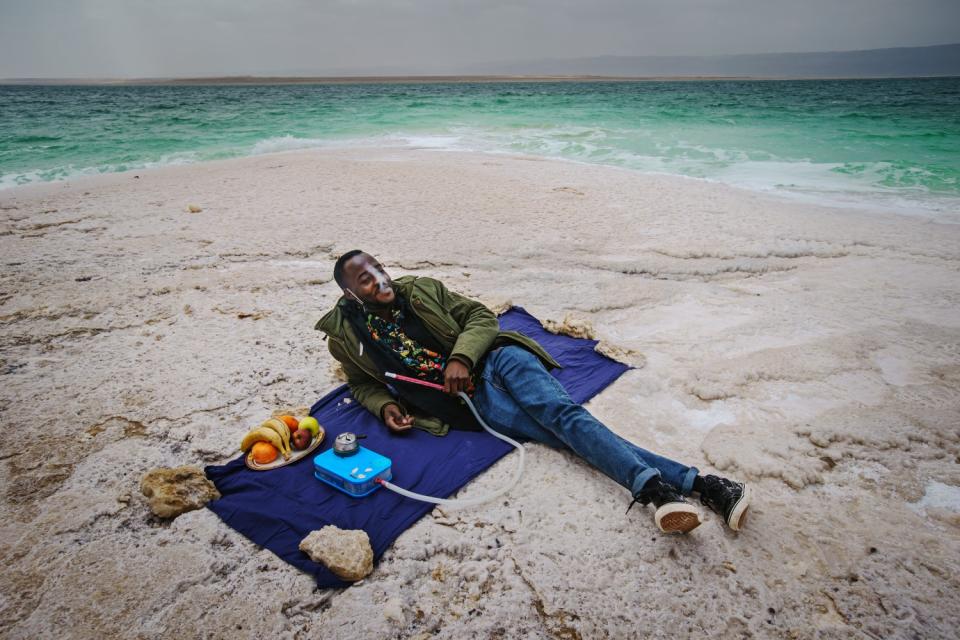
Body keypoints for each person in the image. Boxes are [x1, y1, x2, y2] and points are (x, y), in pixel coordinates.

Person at [315, 250, 751, 534]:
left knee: (563, 415)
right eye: (366, 280)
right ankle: (705, 485)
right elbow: (360, 382)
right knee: (562, 435)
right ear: (351, 294)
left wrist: (462, 358)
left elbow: (482, 318)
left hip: (497, 360)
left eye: (378, 268)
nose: (380, 279)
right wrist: (385, 403)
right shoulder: (346, 337)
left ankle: (653, 491)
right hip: (473, 405)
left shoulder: (422, 289)